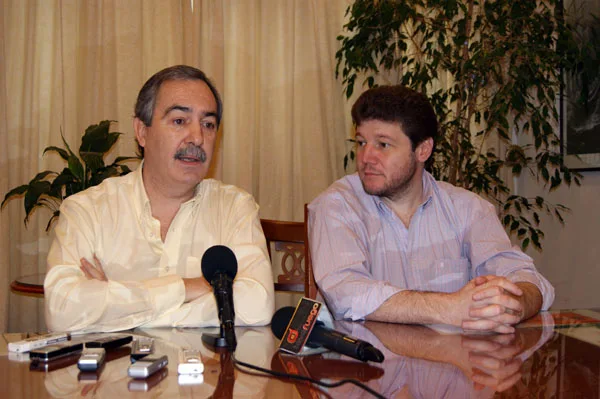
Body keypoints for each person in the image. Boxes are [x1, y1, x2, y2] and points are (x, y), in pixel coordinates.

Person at [45, 65, 274, 332]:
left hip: (207, 373)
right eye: (179, 121)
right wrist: (189, 287)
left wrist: (117, 308)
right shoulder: (87, 210)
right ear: (142, 132)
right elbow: (61, 313)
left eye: (208, 124)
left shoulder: (234, 207)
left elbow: (257, 305)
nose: (198, 137)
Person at [308, 85, 554, 334]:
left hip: (451, 365)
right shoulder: (337, 205)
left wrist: (518, 303)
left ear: (423, 150)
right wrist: (448, 307)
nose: (365, 157)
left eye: (383, 144)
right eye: (361, 142)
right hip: (362, 367)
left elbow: (524, 276)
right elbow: (345, 292)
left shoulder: (467, 209)